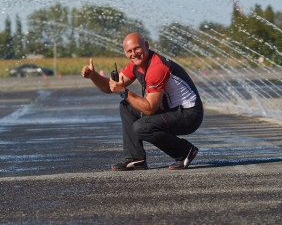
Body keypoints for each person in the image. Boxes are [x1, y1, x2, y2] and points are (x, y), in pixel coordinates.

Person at [81, 32, 203, 171]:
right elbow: (111, 87)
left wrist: (123, 91)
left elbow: (150, 108)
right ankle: (135, 158)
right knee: (126, 107)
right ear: (125, 52)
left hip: (190, 115)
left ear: (146, 45)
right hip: (173, 110)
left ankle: (184, 151)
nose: (134, 54)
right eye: (129, 51)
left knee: (142, 127)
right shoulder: (136, 65)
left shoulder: (156, 67)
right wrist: (93, 75)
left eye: (137, 48)